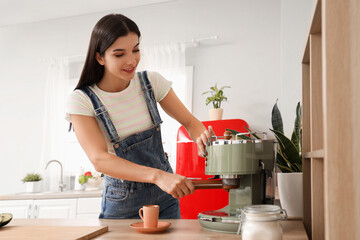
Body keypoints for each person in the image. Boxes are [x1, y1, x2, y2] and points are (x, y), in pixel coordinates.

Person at [66, 13, 213, 219]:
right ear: (100, 57)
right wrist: (158, 176)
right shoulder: (82, 100)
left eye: (135, 50)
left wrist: (202, 137)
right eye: (119, 54)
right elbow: (100, 159)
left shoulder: (152, 83)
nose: (131, 60)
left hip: (166, 196)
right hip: (123, 200)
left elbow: (190, 122)